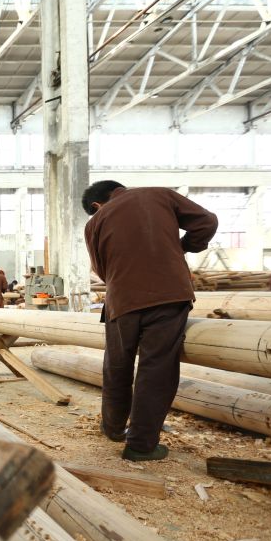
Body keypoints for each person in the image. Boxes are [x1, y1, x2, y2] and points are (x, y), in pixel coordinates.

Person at [82, 180, 218, 462]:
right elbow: (207, 222)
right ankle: (141, 445)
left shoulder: (94, 224)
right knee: (156, 368)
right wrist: (182, 247)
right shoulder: (160, 195)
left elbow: (101, 269)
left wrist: (124, 281)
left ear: (96, 206)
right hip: (168, 296)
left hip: (121, 301)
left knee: (116, 365)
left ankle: (113, 427)